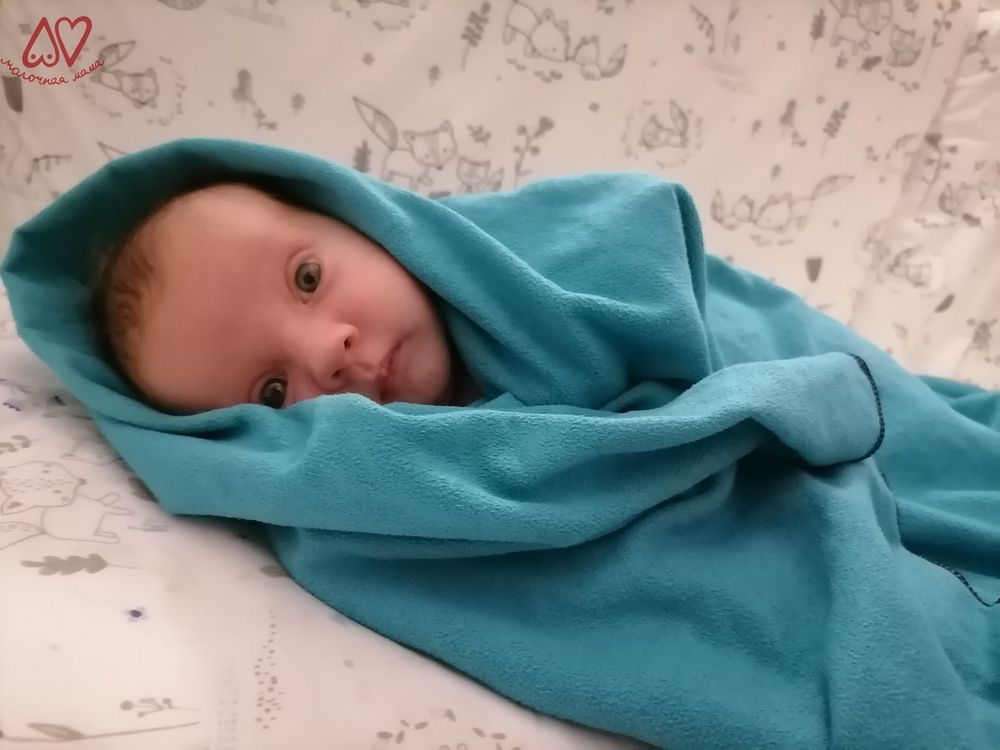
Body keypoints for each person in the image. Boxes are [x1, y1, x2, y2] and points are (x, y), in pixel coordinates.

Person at [91, 181, 483, 414]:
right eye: (273, 393)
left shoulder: (493, 243)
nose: (325, 353)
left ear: (351, 219)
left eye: (308, 278)